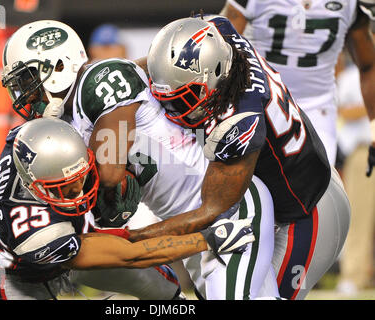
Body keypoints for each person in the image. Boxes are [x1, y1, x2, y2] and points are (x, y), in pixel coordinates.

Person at [1, 20, 280, 300]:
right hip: (187, 223)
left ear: (60, 66)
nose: (26, 93)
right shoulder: (68, 120)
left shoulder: (100, 80)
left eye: (28, 80)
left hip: (228, 206)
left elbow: (109, 173)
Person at [145, 15, 350, 300]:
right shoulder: (220, 35)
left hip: (307, 212)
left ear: (215, 73)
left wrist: (133, 241)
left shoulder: (240, 121)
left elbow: (211, 210)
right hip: (280, 195)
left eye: (182, 97)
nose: (170, 107)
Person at [0, 116, 254, 300]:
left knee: (160, 285)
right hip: (23, 274)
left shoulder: (29, 141)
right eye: (65, 187)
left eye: (82, 177)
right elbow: (132, 255)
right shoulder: (35, 234)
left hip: (74, 237)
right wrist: (206, 240)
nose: (79, 192)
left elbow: (40, 127)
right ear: (34, 185)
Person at [221, 0, 375, 171]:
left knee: (318, 187)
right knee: (253, 185)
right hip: (259, 101)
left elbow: (368, 65)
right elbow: (222, 51)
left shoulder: (350, 4)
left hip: (317, 108)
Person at [335, 50, 375, 295]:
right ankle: (353, 275)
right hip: (363, 151)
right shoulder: (351, 77)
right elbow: (343, 111)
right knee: (359, 216)